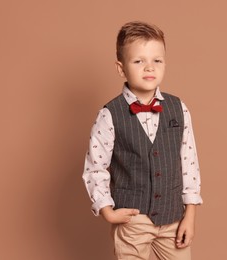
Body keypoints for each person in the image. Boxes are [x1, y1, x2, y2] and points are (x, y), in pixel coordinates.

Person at [82, 21, 203, 260]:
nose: (149, 67)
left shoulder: (178, 108)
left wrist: (190, 215)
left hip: (173, 219)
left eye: (157, 60)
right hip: (133, 220)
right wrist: (107, 211)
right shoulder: (110, 114)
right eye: (139, 61)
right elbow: (95, 167)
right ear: (121, 68)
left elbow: (189, 164)